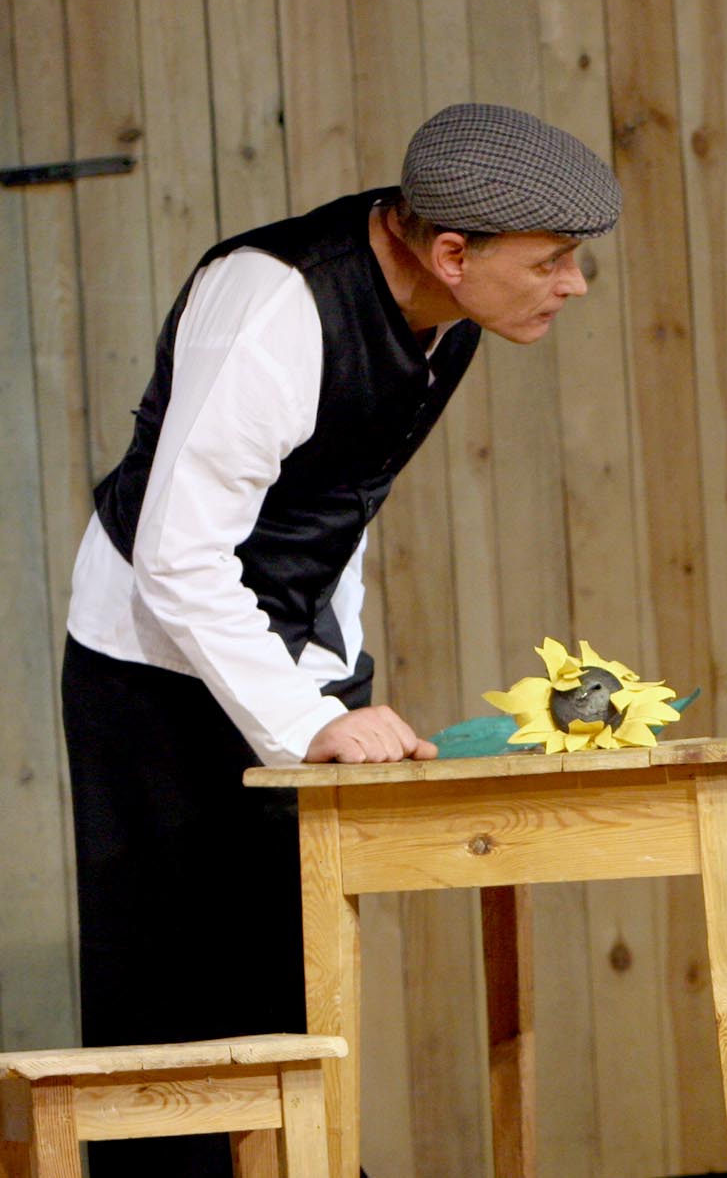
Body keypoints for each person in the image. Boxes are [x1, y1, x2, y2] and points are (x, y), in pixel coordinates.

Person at [62, 102, 620, 1174]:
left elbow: (337, 501)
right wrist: (303, 719)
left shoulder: (447, 317)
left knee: (291, 973)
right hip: (151, 659)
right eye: (553, 260)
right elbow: (178, 555)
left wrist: (332, 681)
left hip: (278, 646)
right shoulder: (277, 306)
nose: (574, 284)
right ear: (452, 253)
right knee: (171, 994)